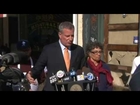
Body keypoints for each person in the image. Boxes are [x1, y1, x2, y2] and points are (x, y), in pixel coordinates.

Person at [27, 21, 85, 91]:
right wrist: (31, 75)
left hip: (72, 88)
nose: (70, 39)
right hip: (53, 87)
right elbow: (39, 67)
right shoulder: (49, 50)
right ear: (60, 35)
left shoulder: (78, 50)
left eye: (72, 35)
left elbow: (83, 68)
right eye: (67, 36)